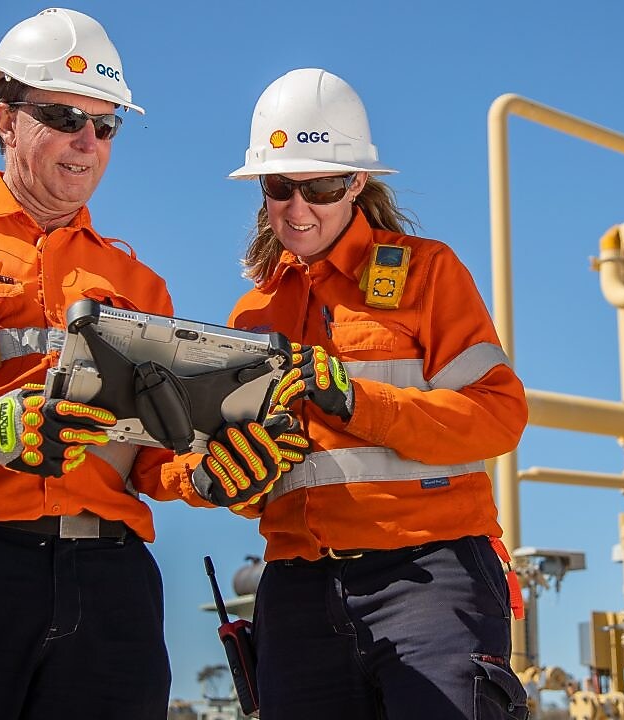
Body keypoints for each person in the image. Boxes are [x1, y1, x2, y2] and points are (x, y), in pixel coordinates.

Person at [0, 9, 304, 719]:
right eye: (62, 115)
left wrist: (209, 473)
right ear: (5, 118)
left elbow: (150, 457)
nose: (87, 141)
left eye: (105, 125)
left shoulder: (139, 285)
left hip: (108, 588)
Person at [224, 67, 531, 720]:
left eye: (322, 186)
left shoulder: (428, 274)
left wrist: (358, 403)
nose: (298, 209)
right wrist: (224, 475)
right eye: (281, 187)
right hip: (296, 591)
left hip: (430, 575)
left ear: (357, 182)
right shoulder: (251, 317)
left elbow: (499, 417)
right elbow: (253, 485)